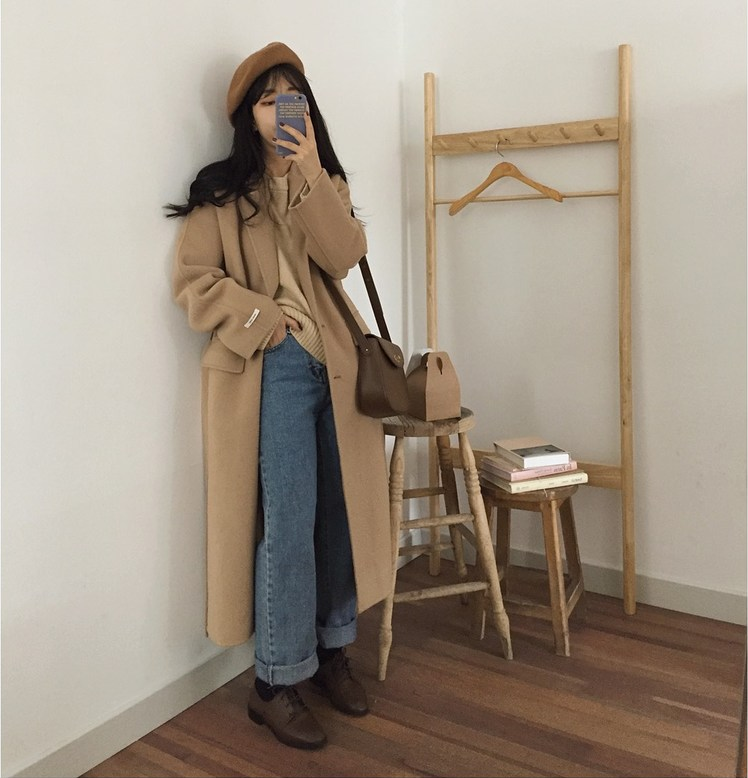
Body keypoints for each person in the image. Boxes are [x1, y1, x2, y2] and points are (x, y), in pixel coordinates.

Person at [166, 42, 392, 750]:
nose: (281, 110)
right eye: (268, 99)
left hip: (337, 366)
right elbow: (193, 283)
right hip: (272, 367)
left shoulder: (325, 181)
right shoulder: (221, 196)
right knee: (288, 522)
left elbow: (344, 257)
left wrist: (310, 173)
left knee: (338, 515)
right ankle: (274, 681)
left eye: (291, 96)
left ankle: (330, 650)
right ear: (247, 117)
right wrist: (265, 322)